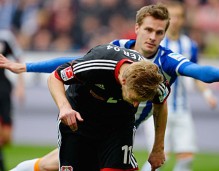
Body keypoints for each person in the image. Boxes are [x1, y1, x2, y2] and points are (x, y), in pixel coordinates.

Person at [3, 3, 219, 171]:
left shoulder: (166, 63)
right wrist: (27, 67)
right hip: (92, 118)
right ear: (137, 28)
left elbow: (197, 71)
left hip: (126, 125)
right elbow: (76, 64)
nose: (153, 37)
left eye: (159, 32)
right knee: (55, 163)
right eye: (149, 30)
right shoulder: (112, 50)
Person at [50, 43, 169, 171]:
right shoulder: (98, 62)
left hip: (119, 124)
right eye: (134, 99)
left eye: (140, 101)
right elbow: (55, 77)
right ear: (123, 81)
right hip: (79, 120)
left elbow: (161, 104)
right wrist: (65, 108)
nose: (136, 104)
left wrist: (158, 147)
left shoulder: (154, 80)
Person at [141, 1, 216, 171]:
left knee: (187, 157)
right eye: (172, 16)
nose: (175, 20)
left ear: (183, 20)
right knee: (159, 159)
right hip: (156, 109)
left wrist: (207, 94)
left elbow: (196, 74)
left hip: (182, 108)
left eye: (179, 16)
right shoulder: (155, 42)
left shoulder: (190, 45)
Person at [0, 29, 25, 171]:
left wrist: (21, 86)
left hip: (3, 89)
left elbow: (18, 58)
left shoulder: (5, 36)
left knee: (6, 137)